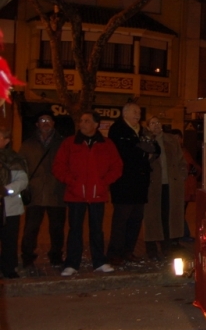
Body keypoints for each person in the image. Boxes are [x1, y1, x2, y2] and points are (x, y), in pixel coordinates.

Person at [53, 112, 122, 276]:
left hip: (97, 195)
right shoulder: (70, 143)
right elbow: (58, 166)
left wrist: (103, 182)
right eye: (81, 120)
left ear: (96, 124)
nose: (82, 123)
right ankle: (71, 263)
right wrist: (72, 181)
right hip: (76, 194)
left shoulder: (107, 144)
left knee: (97, 230)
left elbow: (117, 166)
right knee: (75, 230)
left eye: (87, 121)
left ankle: (99, 261)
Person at [107, 103, 159, 265]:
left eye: (139, 112)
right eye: (135, 112)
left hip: (140, 183)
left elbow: (155, 149)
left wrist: (147, 153)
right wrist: (144, 154)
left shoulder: (142, 130)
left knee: (136, 219)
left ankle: (128, 251)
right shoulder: (118, 129)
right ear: (125, 113)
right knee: (121, 219)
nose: (138, 115)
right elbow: (126, 153)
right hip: (124, 183)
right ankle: (115, 253)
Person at [19, 114, 66, 268]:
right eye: (42, 121)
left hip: (57, 191)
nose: (45, 123)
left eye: (48, 121)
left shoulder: (63, 143)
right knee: (31, 228)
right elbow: (21, 167)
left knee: (57, 228)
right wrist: (24, 185)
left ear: (53, 123)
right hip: (35, 191)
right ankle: (27, 256)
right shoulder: (28, 144)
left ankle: (56, 256)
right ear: (37, 124)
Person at [142, 116, 187, 261]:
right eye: (153, 123)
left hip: (171, 185)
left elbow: (181, 160)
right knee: (152, 217)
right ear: (148, 126)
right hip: (152, 186)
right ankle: (152, 249)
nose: (156, 125)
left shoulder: (171, 140)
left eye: (158, 122)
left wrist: (181, 174)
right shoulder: (145, 140)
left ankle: (167, 246)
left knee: (168, 216)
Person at [0, 129, 28, 279]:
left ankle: (9, 267)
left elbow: (22, 181)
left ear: (6, 140)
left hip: (9, 206)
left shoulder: (14, 159)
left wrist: (7, 190)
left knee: (9, 239)